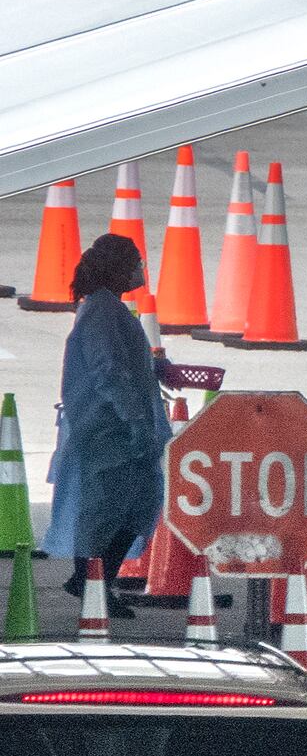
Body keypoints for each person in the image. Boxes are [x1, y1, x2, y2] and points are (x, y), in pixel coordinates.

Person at [44, 234, 172, 611]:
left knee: (137, 504)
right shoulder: (102, 312)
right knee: (106, 509)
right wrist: (134, 421)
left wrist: (156, 368)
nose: (140, 269)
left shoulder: (110, 309)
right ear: (118, 268)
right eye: (135, 261)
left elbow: (120, 364)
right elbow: (109, 372)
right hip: (109, 429)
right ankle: (91, 584)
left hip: (121, 426)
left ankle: (93, 581)